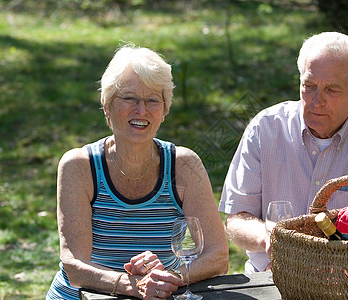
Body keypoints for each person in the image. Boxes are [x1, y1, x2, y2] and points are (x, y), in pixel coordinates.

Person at [218, 32, 348, 273]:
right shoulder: (266, 129)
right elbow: (237, 219)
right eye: (309, 86)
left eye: (331, 90)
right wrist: (268, 238)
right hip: (269, 277)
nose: (317, 101)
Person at [47, 44, 229, 299]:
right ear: (106, 105)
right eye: (129, 98)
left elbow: (217, 256)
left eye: (153, 100)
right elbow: (75, 266)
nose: (141, 110)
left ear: (164, 110)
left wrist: (169, 278)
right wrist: (133, 285)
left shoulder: (184, 165)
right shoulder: (79, 166)